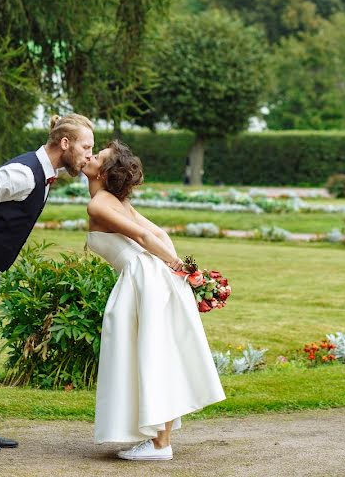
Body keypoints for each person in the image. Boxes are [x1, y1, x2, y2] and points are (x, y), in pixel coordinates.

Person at [0, 114, 95, 454]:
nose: (88, 156)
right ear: (65, 144)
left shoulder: (43, 175)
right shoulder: (24, 173)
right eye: (86, 147)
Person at [82, 140, 225, 461]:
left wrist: (179, 268)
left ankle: (160, 444)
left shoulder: (99, 205)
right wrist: (181, 269)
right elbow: (159, 235)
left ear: (103, 174)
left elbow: (147, 238)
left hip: (143, 279)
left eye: (98, 156)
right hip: (150, 277)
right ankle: (159, 440)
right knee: (157, 354)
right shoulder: (114, 202)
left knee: (151, 355)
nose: (89, 156)